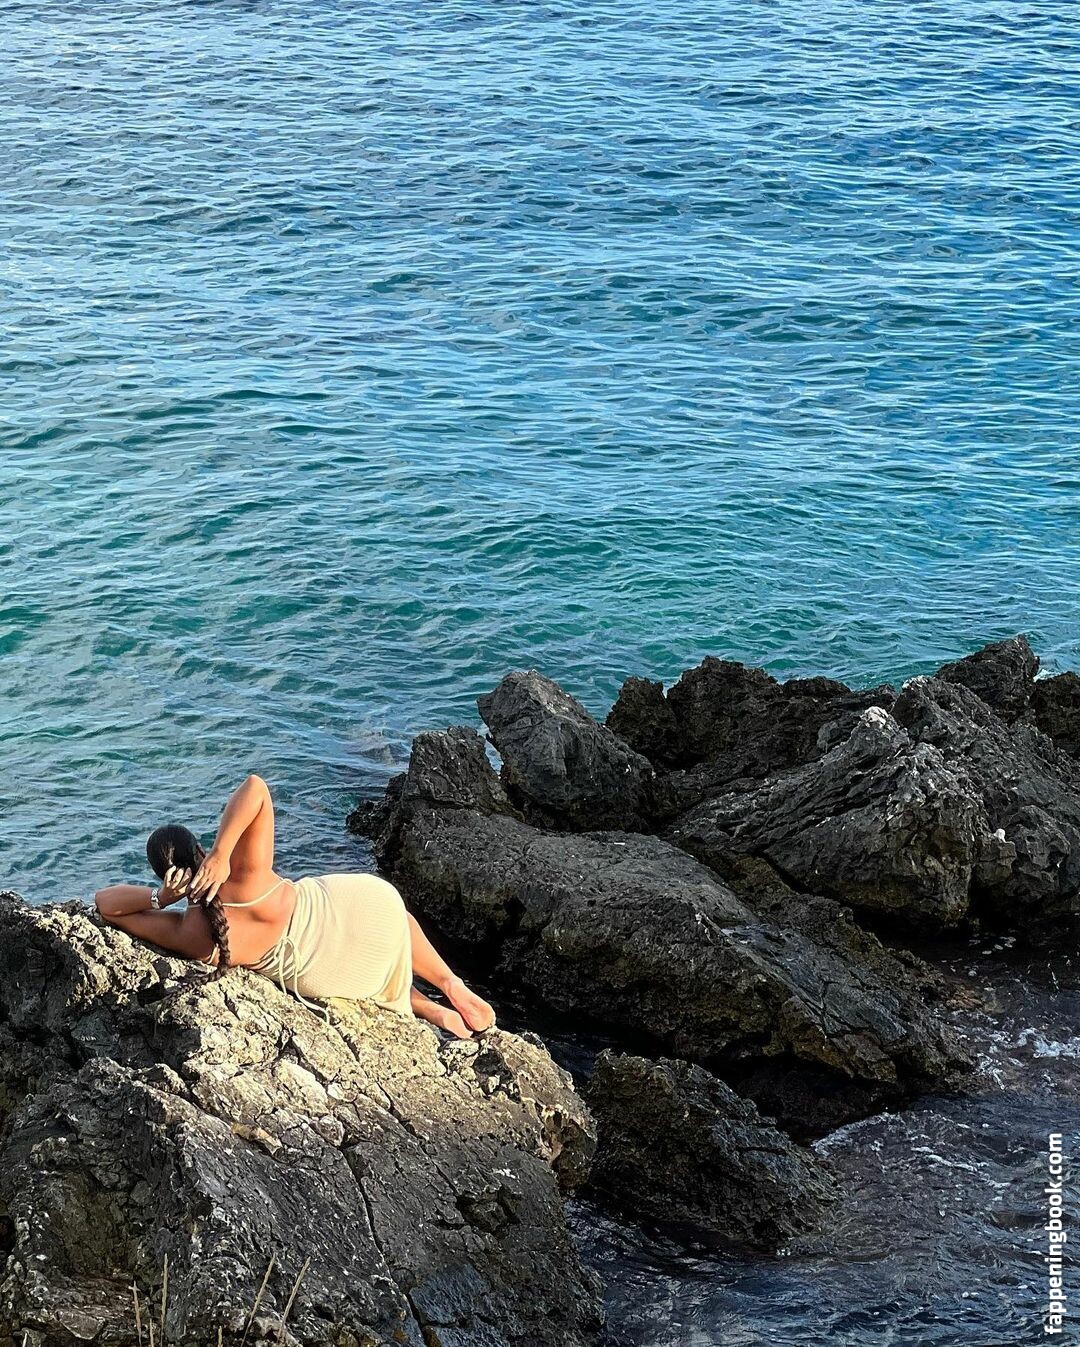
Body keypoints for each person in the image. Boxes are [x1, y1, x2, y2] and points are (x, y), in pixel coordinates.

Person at [93, 773, 495, 1040]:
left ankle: (432, 1011)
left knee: (376, 980)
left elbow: (106, 905)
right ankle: (449, 984)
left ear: (164, 874)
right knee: (394, 921)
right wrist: (221, 853)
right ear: (197, 849)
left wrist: (160, 898)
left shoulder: (191, 933)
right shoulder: (244, 873)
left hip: (322, 972)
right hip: (355, 910)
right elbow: (255, 788)